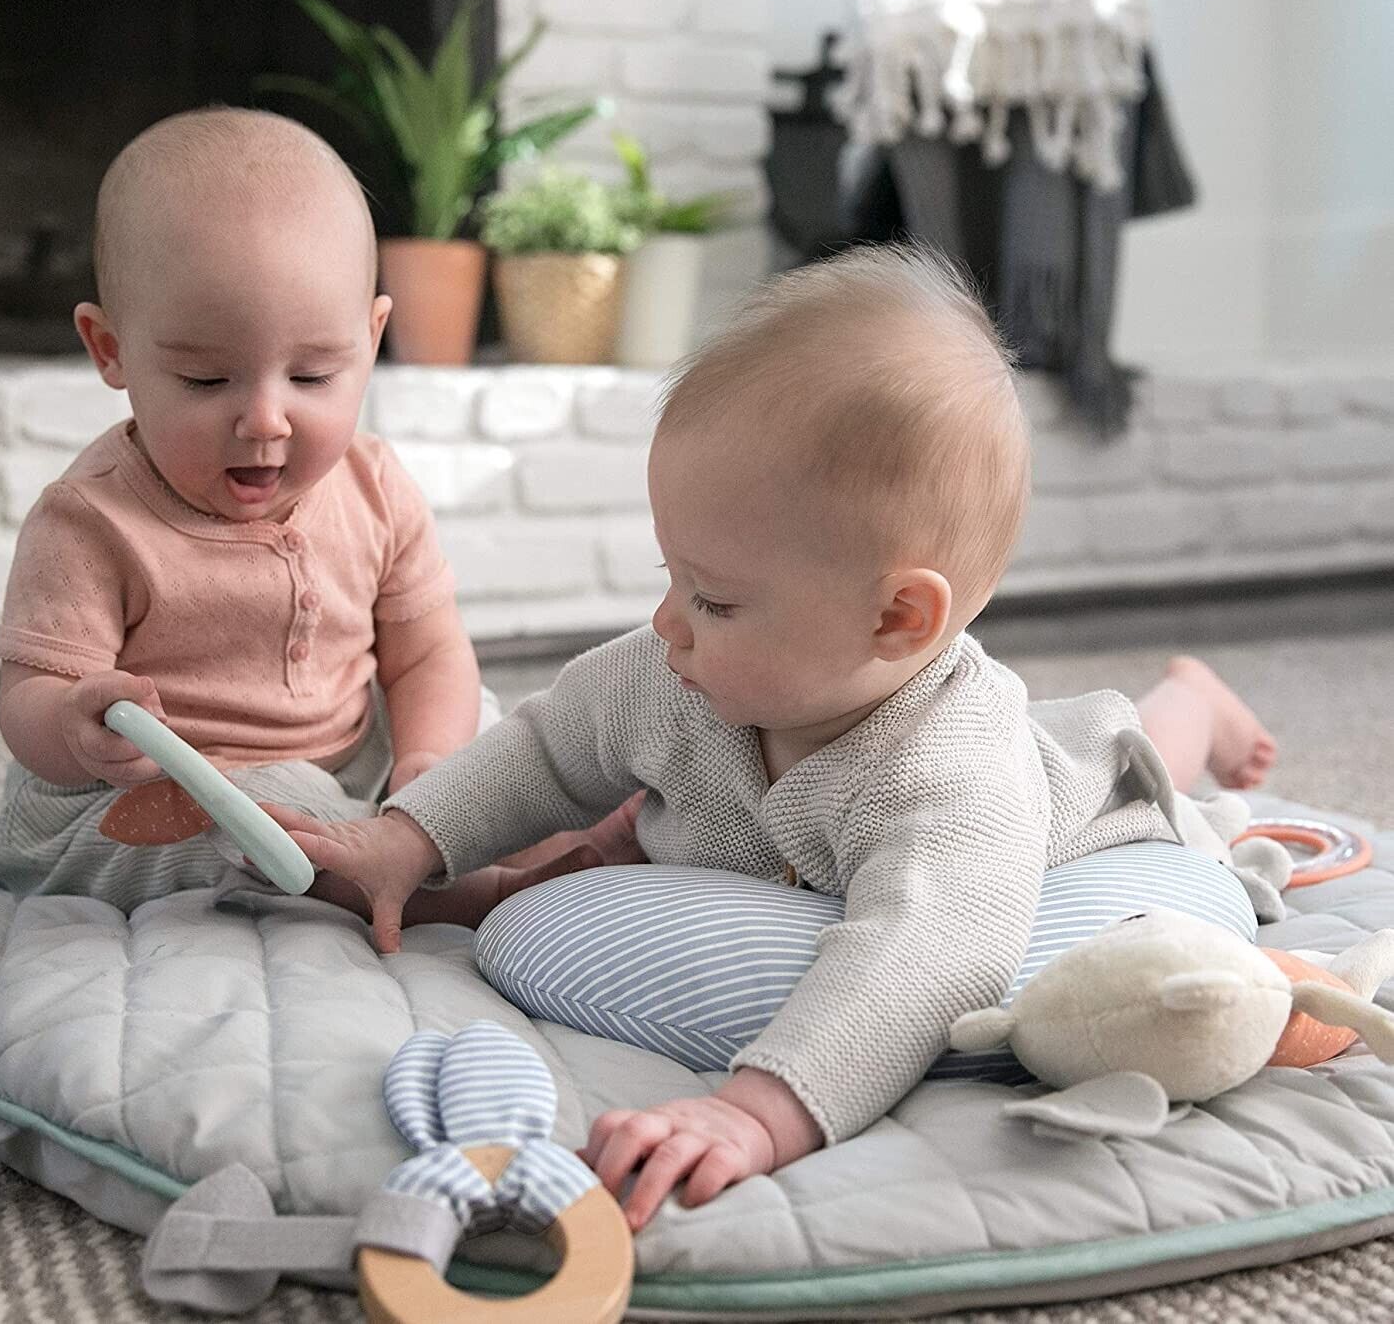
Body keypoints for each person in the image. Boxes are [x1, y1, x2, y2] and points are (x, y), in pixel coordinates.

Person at [265, 243, 1278, 1229]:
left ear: (896, 623)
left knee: (1137, 748)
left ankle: (1197, 698)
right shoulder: (678, 671)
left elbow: (925, 960)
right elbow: (545, 746)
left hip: (1075, 796)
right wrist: (407, 840)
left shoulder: (951, 776)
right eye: (672, 575)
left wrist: (758, 1111)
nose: (667, 621)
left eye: (712, 597)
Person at [0, 107, 639, 915]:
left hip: (357, 753)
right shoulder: (89, 523)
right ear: (110, 350)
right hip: (166, 791)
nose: (265, 420)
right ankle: (477, 896)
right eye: (205, 381)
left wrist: (431, 761)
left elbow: (426, 653)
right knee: (252, 825)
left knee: (503, 734)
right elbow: (29, 701)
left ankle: (559, 835)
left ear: (370, 341)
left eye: (313, 376)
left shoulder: (374, 486)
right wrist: (73, 725)